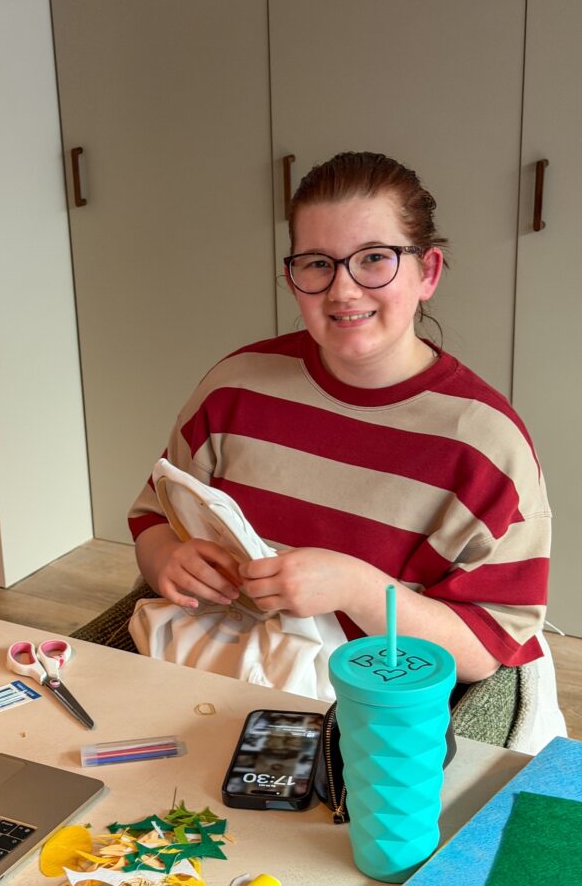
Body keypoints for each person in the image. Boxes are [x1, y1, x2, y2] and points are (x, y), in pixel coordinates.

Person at [128, 151, 563, 741]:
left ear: (428, 272)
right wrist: (167, 561)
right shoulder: (233, 388)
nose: (342, 289)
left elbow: (486, 649)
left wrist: (361, 590)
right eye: (317, 264)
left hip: (368, 725)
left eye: (375, 259)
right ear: (293, 277)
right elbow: (154, 513)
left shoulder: (486, 446)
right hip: (208, 684)